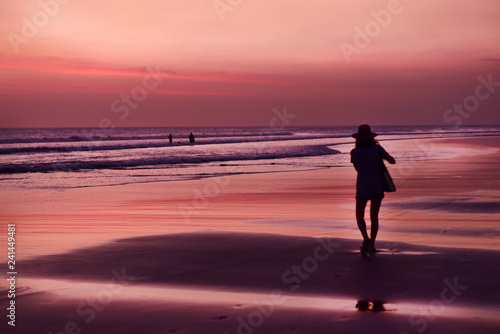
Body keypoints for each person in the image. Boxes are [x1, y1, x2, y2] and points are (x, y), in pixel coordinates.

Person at [350, 124, 396, 253]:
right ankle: (372, 244)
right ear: (371, 137)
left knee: (359, 215)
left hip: (362, 187)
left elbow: (357, 169)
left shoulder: (355, 152)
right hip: (377, 186)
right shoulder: (377, 149)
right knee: (374, 217)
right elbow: (392, 161)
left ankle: (365, 238)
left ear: (358, 138)